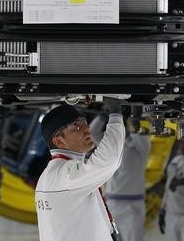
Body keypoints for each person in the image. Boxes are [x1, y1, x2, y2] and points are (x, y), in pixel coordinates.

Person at [35, 101, 125, 241]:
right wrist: (115, 114)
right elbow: (108, 160)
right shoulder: (65, 175)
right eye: (76, 126)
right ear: (59, 141)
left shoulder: (52, 174)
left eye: (84, 122)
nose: (87, 128)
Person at [90, 116, 152, 241]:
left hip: (132, 207)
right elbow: (93, 132)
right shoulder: (111, 145)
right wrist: (105, 115)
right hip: (112, 204)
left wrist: (133, 122)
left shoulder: (140, 147)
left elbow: (141, 137)